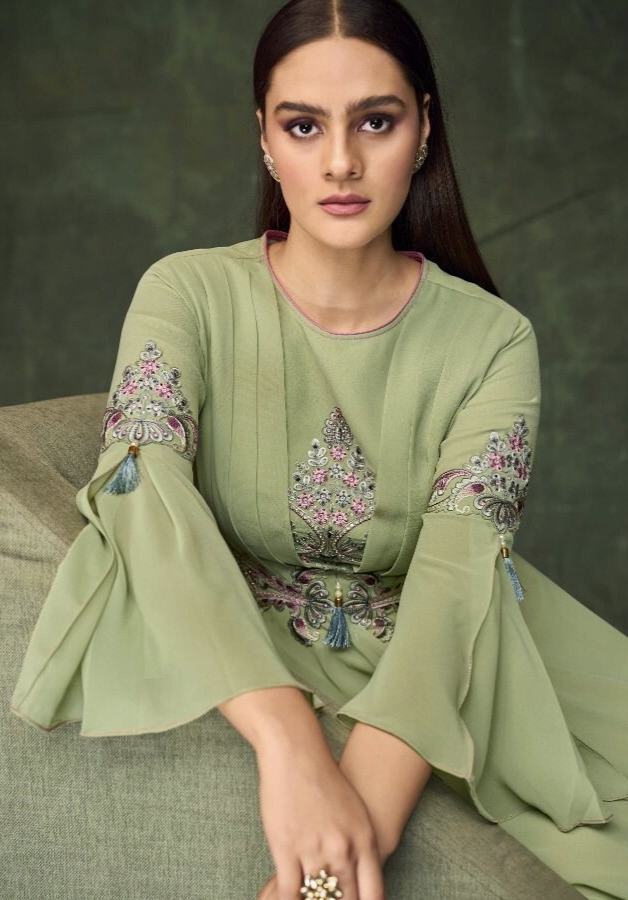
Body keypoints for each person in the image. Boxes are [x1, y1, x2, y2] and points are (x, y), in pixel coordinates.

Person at [10, 1, 628, 898]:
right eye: (304, 125)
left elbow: (454, 594)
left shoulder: (494, 341)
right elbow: (145, 498)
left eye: (376, 121)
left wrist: (326, 871)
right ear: (264, 136)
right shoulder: (186, 294)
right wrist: (288, 742)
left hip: (456, 662)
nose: (341, 161)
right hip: (240, 636)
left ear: (424, 129)